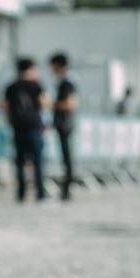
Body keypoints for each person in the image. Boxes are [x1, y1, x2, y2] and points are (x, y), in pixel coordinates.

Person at [2, 58, 49, 202]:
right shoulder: (36, 85)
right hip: (34, 126)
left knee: (20, 162)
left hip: (18, 127)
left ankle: (21, 193)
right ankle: (40, 192)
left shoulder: (11, 86)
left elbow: (5, 105)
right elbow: (45, 103)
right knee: (38, 162)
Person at [49, 52, 78, 201]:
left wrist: (50, 104)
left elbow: (70, 103)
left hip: (65, 124)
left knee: (67, 158)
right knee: (66, 157)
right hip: (65, 123)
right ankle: (66, 189)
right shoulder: (66, 81)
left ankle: (66, 189)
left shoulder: (67, 82)